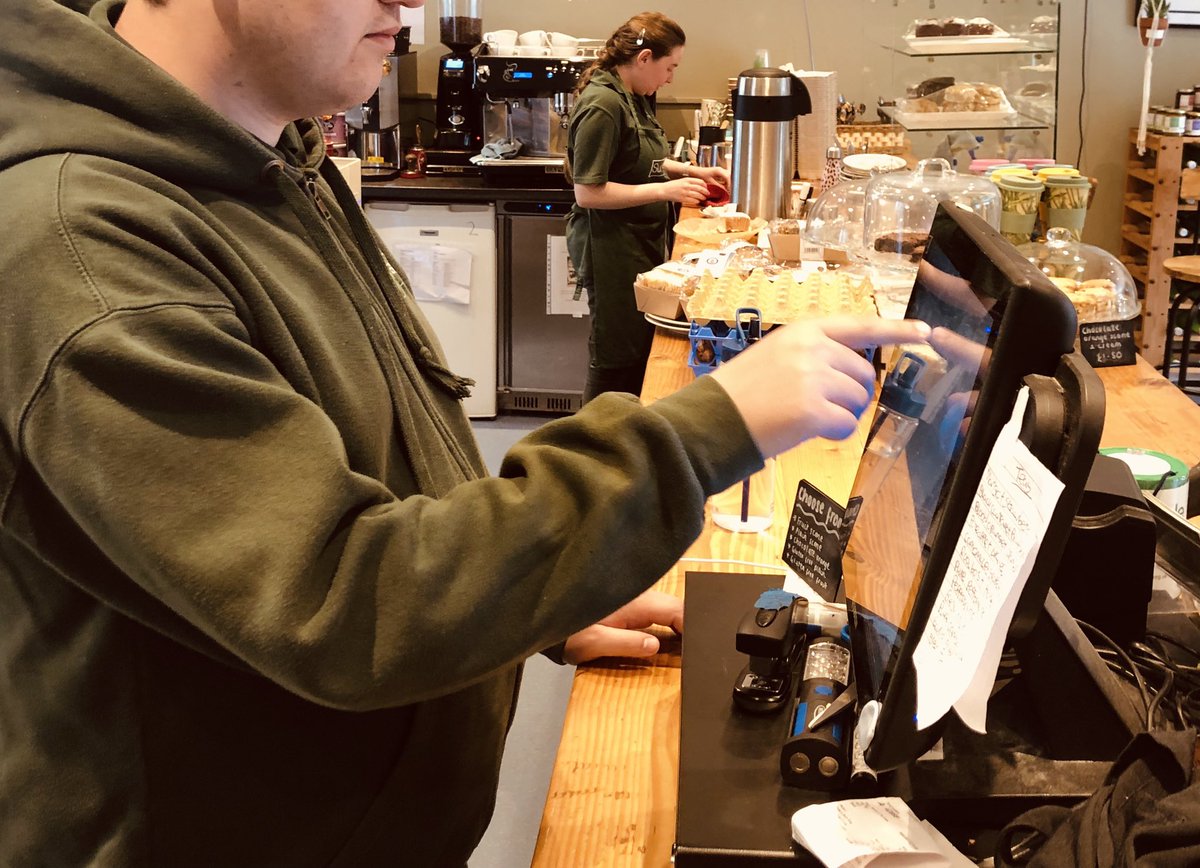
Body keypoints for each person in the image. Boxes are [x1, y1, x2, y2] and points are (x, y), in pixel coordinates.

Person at [0, 1, 929, 865]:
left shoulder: (277, 159)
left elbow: (376, 483)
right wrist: (708, 428)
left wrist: (535, 598)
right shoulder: (89, 249)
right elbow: (342, 602)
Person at [566, 12, 728, 403]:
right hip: (611, 249)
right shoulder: (603, 105)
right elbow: (588, 192)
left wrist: (692, 170)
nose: (671, 77)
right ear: (644, 59)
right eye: (669, 66)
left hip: (637, 242)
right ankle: (591, 447)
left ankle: (627, 441)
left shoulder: (633, 97)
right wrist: (665, 192)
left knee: (640, 352)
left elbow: (643, 161)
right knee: (615, 357)